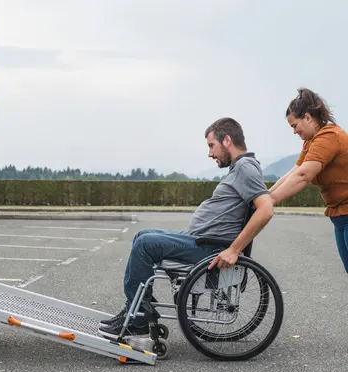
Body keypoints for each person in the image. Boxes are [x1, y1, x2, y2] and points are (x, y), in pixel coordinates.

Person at [98, 117, 275, 340]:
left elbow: (266, 209)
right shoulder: (241, 167)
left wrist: (233, 250)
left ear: (227, 140)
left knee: (144, 244)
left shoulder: (245, 168)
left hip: (210, 247)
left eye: (212, 146)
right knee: (142, 235)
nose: (210, 153)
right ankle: (137, 308)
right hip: (203, 240)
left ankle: (139, 318)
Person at [269, 88, 348, 272]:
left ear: (307, 117)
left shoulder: (329, 136)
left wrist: (269, 201)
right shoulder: (311, 141)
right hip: (340, 217)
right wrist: (265, 195)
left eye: (294, 125)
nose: (294, 131)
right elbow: (294, 172)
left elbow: (303, 176)